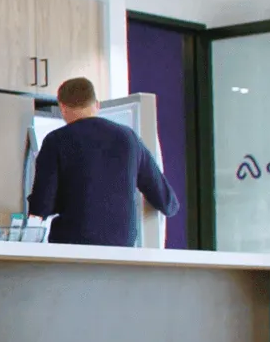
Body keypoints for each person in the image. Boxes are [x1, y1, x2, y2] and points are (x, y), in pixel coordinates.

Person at [27, 77, 179, 246]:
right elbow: (167, 202)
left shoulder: (55, 140)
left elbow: (41, 206)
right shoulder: (128, 138)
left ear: (62, 107)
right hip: (121, 247)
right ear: (97, 104)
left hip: (72, 246)